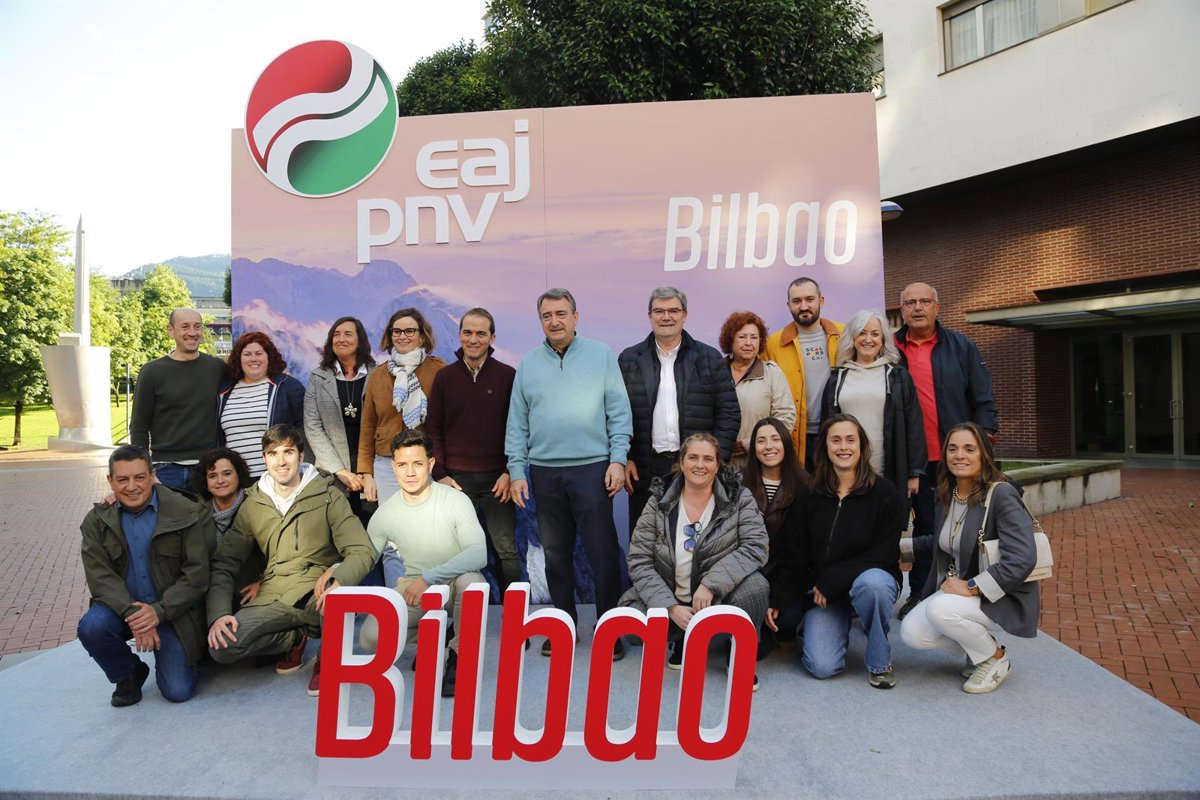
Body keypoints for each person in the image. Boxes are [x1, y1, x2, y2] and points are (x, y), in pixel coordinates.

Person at [505, 288, 632, 660]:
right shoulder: (528, 364)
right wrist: (516, 469)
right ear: (540, 321)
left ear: (576, 316)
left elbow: (619, 412)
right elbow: (517, 423)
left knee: (603, 553)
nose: (554, 321)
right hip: (545, 472)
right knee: (555, 556)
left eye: (561, 313)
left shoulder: (601, 355)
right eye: (547, 316)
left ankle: (609, 630)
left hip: (593, 468)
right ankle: (563, 627)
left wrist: (618, 459)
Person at [206, 424, 376, 697]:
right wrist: (219, 614)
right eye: (273, 453)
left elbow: (361, 549)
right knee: (222, 646)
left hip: (315, 590)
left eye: (288, 452)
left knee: (334, 602)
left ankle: (328, 657)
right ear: (264, 458)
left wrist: (340, 577)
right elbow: (225, 562)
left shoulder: (328, 495)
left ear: (301, 455)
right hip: (273, 594)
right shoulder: (253, 503)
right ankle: (295, 637)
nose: (281, 461)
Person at [620, 433, 768, 690]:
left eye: (708, 459)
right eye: (693, 458)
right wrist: (669, 606)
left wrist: (711, 584)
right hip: (672, 594)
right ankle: (682, 638)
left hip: (716, 597)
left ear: (718, 465)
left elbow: (756, 546)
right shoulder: (658, 500)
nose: (700, 465)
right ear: (681, 462)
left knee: (756, 588)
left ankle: (738, 654)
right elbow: (639, 560)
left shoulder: (739, 497)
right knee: (632, 624)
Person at [900, 422, 1038, 694]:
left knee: (939, 611)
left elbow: (1022, 558)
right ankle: (978, 650)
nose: (959, 455)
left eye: (969, 449)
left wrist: (971, 586)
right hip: (961, 592)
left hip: (999, 594)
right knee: (912, 633)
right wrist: (896, 549)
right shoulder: (948, 495)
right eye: (952, 449)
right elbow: (943, 541)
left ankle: (995, 659)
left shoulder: (1001, 494)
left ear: (983, 455)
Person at [768, 414, 904, 689]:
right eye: (836, 440)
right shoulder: (809, 494)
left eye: (850, 440)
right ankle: (820, 625)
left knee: (874, 585)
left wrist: (835, 579)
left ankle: (880, 661)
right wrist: (779, 598)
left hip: (867, 583)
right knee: (822, 667)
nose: (843, 447)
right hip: (825, 597)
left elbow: (884, 553)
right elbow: (794, 552)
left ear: (862, 446)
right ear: (825, 447)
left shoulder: (886, 493)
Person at [77, 446, 212, 706]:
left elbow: (196, 576)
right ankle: (128, 673)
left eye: (139, 477)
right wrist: (136, 615)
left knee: (178, 691)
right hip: (123, 609)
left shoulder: (185, 511)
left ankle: (191, 655)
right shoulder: (97, 521)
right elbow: (100, 577)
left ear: (152, 475)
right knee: (92, 627)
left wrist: (158, 612)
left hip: (173, 611)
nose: (131, 487)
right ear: (110, 481)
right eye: (122, 479)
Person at [894, 282, 998, 620]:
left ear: (937, 307)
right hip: (904, 460)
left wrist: (983, 442)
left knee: (947, 529)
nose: (918, 307)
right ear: (902, 309)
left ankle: (948, 593)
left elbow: (983, 398)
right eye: (911, 302)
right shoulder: (890, 349)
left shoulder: (962, 347)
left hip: (951, 460)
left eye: (925, 301)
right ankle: (912, 593)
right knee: (909, 528)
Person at [359, 431, 488, 698]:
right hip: (415, 589)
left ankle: (459, 658)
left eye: (417, 464)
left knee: (474, 584)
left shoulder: (455, 500)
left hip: (454, 585)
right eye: (402, 465)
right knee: (370, 638)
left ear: (430, 464)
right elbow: (364, 557)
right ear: (393, 466)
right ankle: (437, 635)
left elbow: (478, 554)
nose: (410, 472)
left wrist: (428, 578)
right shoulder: (386, 513)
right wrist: (336, 574)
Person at [619, 287, 739, 528]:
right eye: (659, 311)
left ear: (685, 315)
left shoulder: (708, 358)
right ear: (649, 315)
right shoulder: (629, 359)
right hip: (645, 468)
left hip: (696, 467)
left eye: (673, 311)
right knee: (646, 539)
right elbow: (616, 414)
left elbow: (729, 412)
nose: (666, 317)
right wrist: (625, 457)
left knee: (693, 539)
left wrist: (713, 459)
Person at [425, 308, 521, 594]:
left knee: (506, 550)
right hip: (455, 481)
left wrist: (509, 471)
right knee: (454, 552)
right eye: (467, 332)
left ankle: (515, 616)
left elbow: (518, 428)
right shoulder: (445, 377)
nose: (473, 339)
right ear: (459, 335)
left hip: (498, 481)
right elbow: (433, 429)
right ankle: (454, 614)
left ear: (492, 338)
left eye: (481, 333)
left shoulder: (507, 376)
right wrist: (440, 474)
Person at [821, 309, 926, 526]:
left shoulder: (897, 376)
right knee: (850, 527)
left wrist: (913, 472)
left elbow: (913, 424)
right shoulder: (837, 378)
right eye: (862, 333)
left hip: (888, 469)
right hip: (846, 473)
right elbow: (826, 427)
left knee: (884, 528)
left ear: (883, 339)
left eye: (875, 334)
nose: (868, 339)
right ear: (852, 338)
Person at [129, 308, 225, 492]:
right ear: (170, 330)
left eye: (197, 326)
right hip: (165, 470)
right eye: (185, 327)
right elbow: (139, 426)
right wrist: (143, 469)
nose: (192, 332)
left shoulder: (216, 368)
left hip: (208, 468)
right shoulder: (152, 371)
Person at [358, 308, 446, 505]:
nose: (402, 336)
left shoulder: (440, 371)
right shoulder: (378, 375)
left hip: (428, 462)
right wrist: (366, 473)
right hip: (387, 464)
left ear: (422, 336)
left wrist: (443, 468)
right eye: (396, 331)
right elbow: (368, 426)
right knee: (392, 520)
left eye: (409, 331)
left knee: (426, 520)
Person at [741, 416, 807, 658]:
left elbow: (799, 554)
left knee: (786, 622)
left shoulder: (805, 487)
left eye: (775, 439)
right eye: (761, 441)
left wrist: (776, 598)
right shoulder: (740, 486)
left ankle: (793, 623)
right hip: (750, 576)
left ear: (786, 443)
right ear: (753, 447)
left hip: (788, 577)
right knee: (753, 650)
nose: (768, 446)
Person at [304, 316, 377, 526]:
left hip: (372, 471)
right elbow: (312, 426)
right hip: (332, 471)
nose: (341, 339)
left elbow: (384, 425)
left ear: (360, 340)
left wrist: (368, 470)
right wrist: (340, 471)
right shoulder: (318, 378)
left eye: (348, 334)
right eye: (336, 334)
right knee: (339, 530)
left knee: (373, 529)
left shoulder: (378, 374)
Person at [764, 277, 843, 471]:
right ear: (788, 305)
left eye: (809, 299)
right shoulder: (772, 344)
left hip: (838, 433)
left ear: (821, 301)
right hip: (794, 436)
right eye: (797, 301)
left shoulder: (844, 335)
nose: (804, 306)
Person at [218, 331, 305, 478]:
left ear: (269, 357)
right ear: (239, 358)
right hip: (234, 480)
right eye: (247, 354)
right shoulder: (224, 391)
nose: (253, 359)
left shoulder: (288, 387)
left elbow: (304, 431)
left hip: (275, 478)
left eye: (259, 353)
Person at [719, 310, 794, 470]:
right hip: (719, 462)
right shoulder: (716, 371)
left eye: (754, 337)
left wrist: (754, 443)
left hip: (759, 462)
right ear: (730, 340)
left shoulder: (772, 373)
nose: (748, 343)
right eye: (742, 337)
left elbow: (785, 417)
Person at [193, 447, 262, 608]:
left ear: (239, 475)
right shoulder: (196, 512)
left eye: (227, 473)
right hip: (209, 594)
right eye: (212, 476)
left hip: (249, 593)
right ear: (205, 482)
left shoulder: (257, 505)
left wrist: (263, 583)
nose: (220, 481)